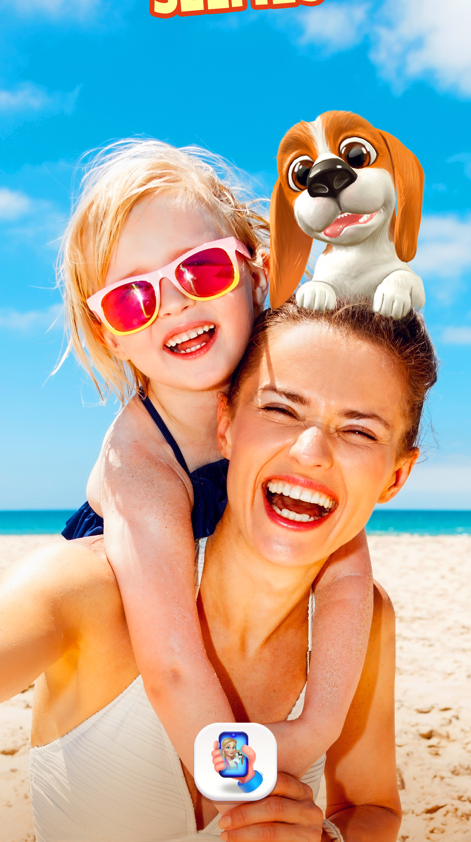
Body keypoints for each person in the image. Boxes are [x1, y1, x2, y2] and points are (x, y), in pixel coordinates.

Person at [0, 300, 438, 842]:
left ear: (395, 477)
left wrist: (325, 837)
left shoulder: (364, 622)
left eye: (360, 432)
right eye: (281, 410)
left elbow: (371, 807)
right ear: (226, 424)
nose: (311, 452)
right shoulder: (86, 589)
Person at [56, 138, 374, 776]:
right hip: (133, 679)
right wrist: (245, 786)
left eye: (201, 270)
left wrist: (316, 728)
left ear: (256, 274)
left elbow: (345, 570)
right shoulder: (140, 464)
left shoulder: (292, 408)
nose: (174, 303)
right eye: (131, 298)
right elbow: (172, 669)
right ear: (108, 334)